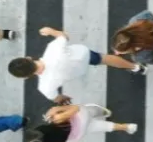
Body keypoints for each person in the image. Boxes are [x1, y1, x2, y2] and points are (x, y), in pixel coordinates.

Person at [10, 25, 142, 101]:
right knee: (105, 59)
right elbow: (64, 36)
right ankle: (135, 67)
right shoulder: (52, 49)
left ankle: (135, 67)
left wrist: (63, 99)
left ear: (26, 77)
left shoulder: (44, 87)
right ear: (28, 58)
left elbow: (57, 98)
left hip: (78, 71)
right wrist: (51, 31)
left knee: (102, 60)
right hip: (83, 55)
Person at [27, 103, 135, 142]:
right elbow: (75, 109)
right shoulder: (56, 120)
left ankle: (127, 127)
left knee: (100, 126)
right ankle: (100, 111)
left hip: (78, 133)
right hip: (81, 118)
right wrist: (57, 109)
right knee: (88, 110)